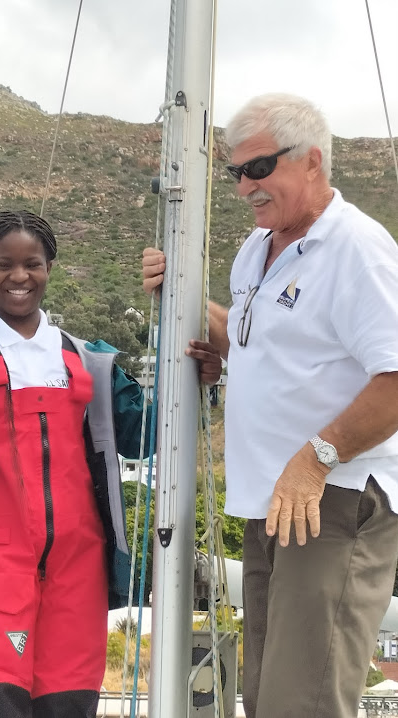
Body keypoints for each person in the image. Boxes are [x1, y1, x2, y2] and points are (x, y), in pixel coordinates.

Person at [142, 93, 398, 718]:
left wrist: (316, 458)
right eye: (235, 172)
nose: (243, 187)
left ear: (312, 161)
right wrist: (182, 295)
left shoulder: (356, 249)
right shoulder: (258, 250)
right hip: (272, 503)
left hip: (330, 497)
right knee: (262, 700)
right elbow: (265, 347)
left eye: (258, 168)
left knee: (299, 702)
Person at [0, 209, 151, 718]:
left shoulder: (89, 361)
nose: (19, 277)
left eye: (32, 264)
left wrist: (197, 369)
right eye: (4, 265)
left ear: (49, 268)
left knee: (69, 705)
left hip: (78, 566)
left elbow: (145, 434)